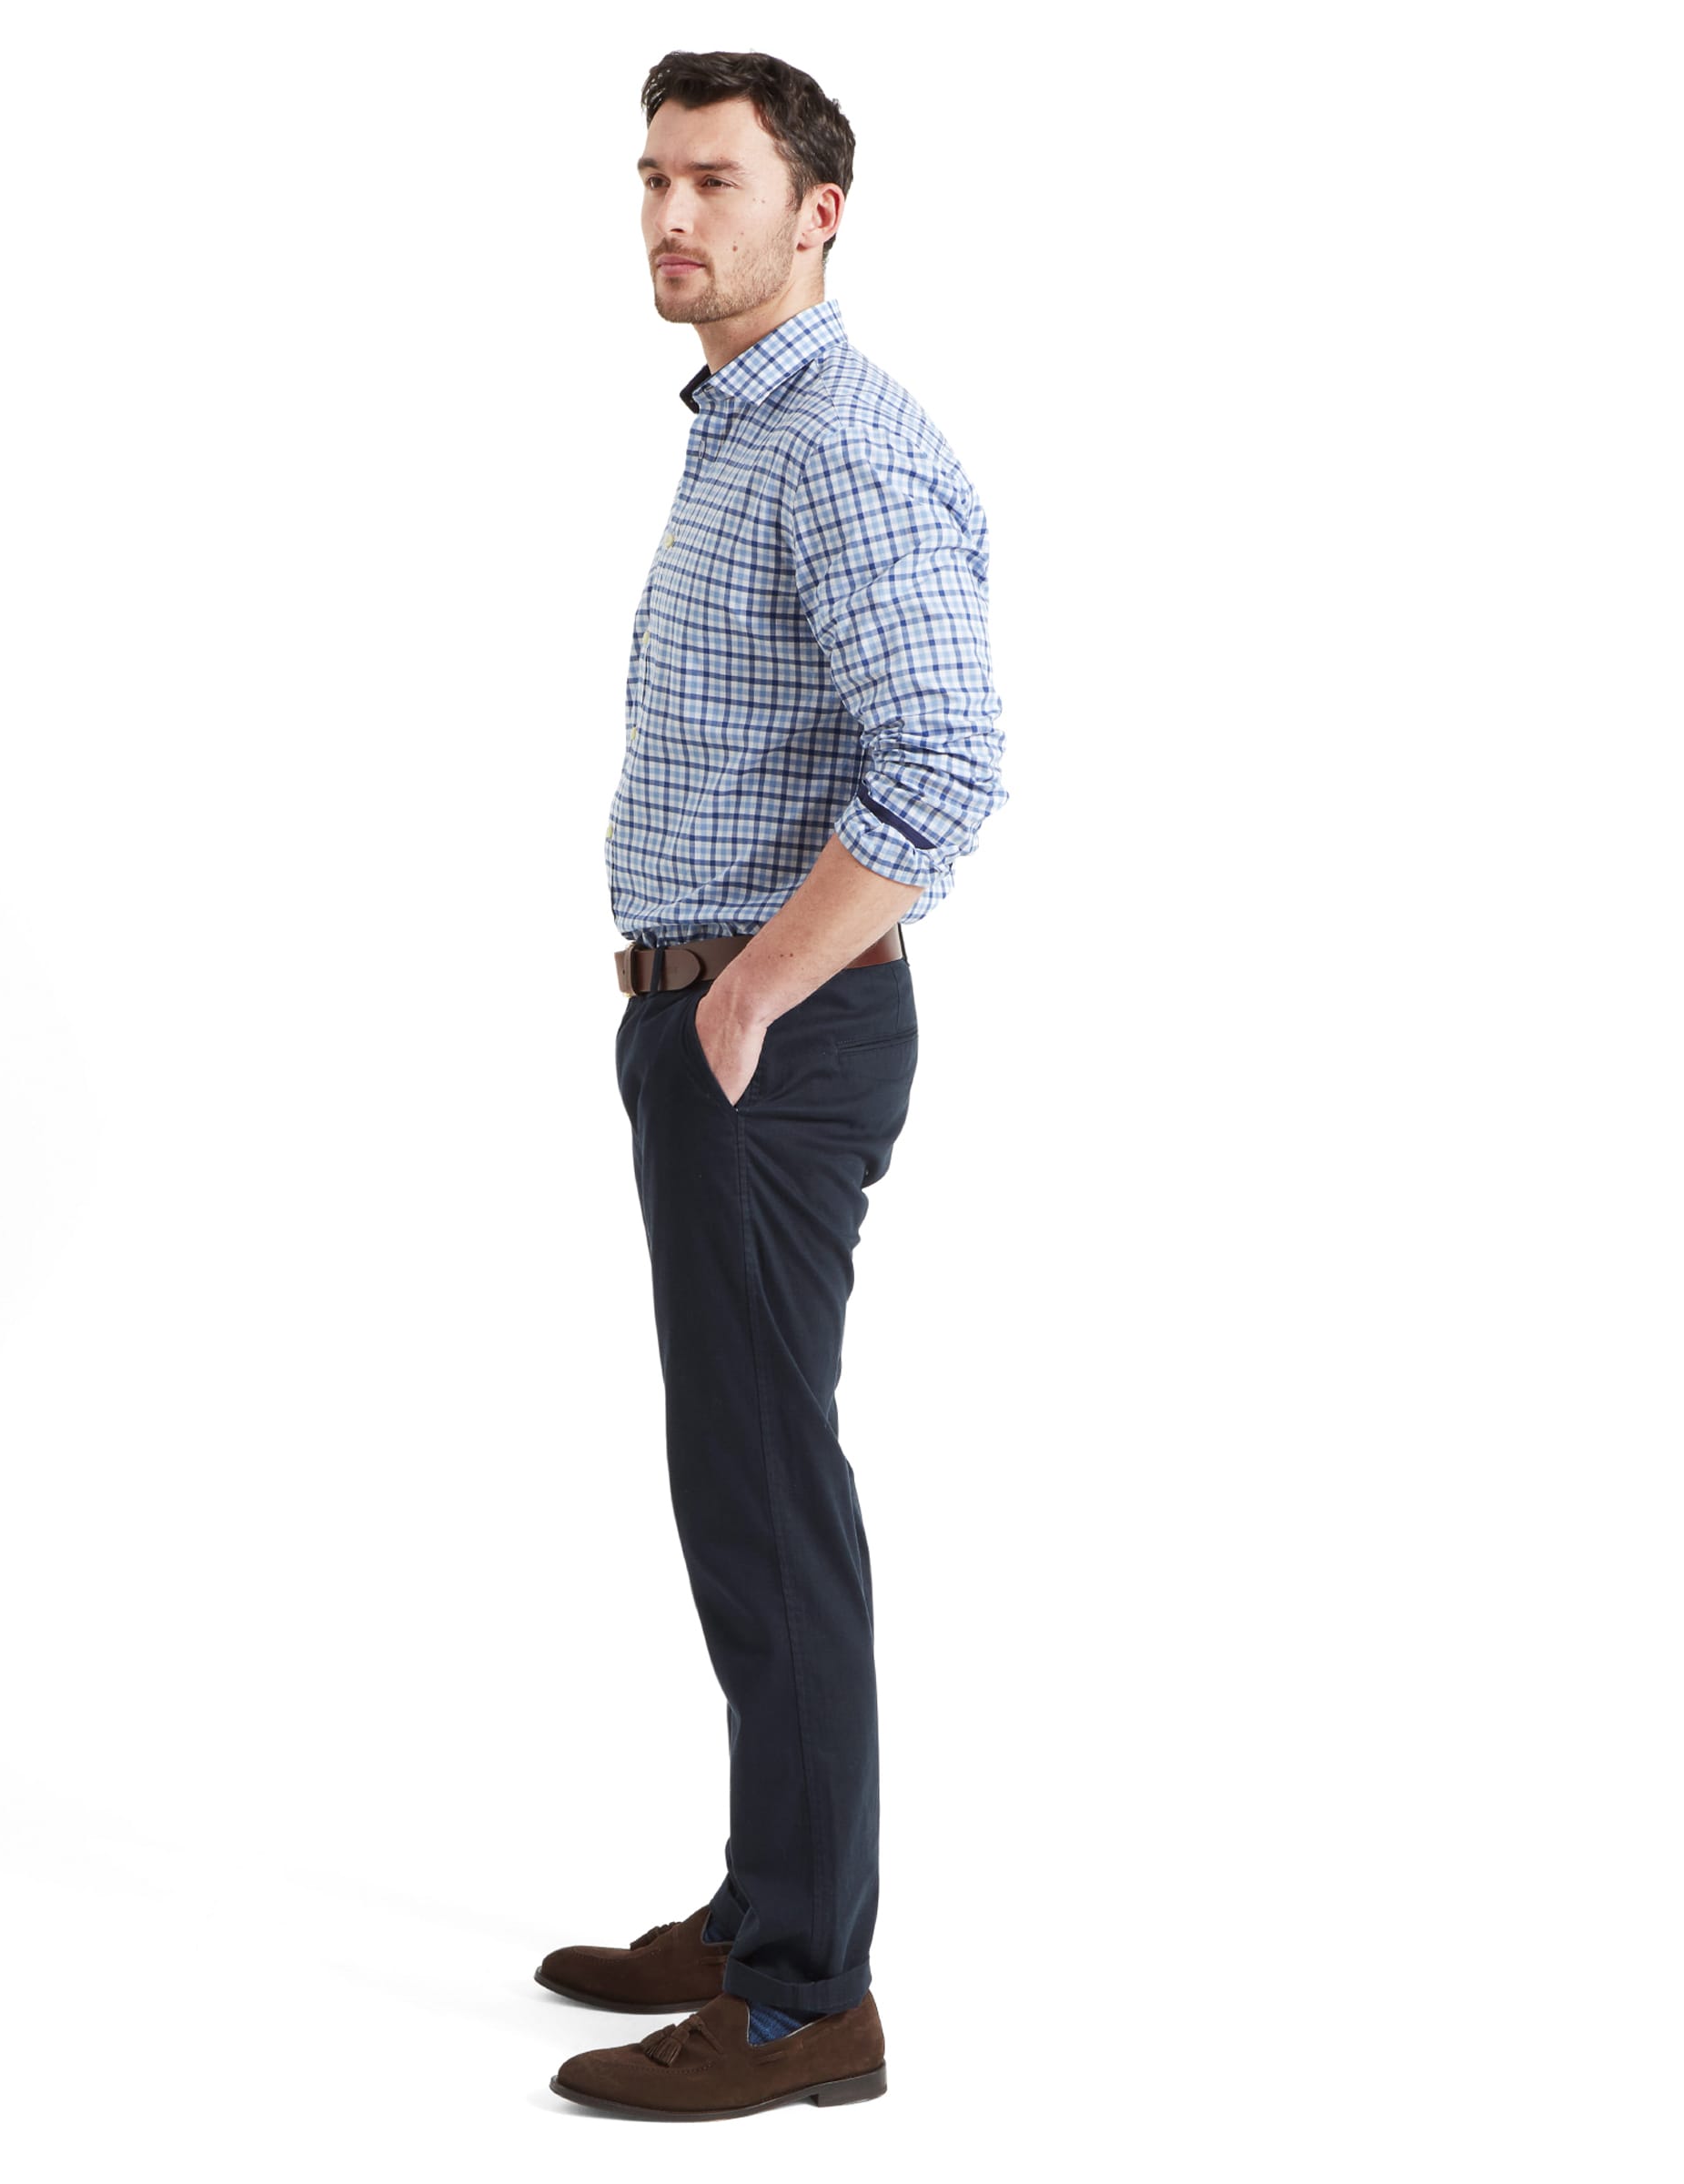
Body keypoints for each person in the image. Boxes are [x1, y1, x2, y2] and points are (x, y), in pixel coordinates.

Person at [538, 49, 1008, 2121]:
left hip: (771, 1038)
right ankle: (762, 1912)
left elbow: (946, 772)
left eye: (713, 179)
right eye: (650, 174)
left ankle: (813, 2001)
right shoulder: (742, 435)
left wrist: (744, 1007)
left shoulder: (838, 450)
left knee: (774, 1503)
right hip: (718, 1024)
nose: (669, 213)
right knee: (738, 1488)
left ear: (820, 210)